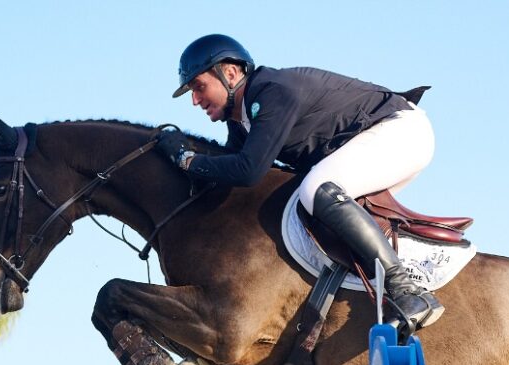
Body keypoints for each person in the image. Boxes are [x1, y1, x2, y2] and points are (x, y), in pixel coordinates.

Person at [159, 34, 444, 334]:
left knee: (317, 190)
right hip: (384, 136)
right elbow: (228, 172)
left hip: (401, 131)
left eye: (199, 86)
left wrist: (187, 160)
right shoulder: (241, 120)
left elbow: (248, 171)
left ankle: (407, 292)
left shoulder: (272, 92)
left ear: (229, 73)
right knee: (313, 208)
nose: (194, 100)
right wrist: (187, 162)